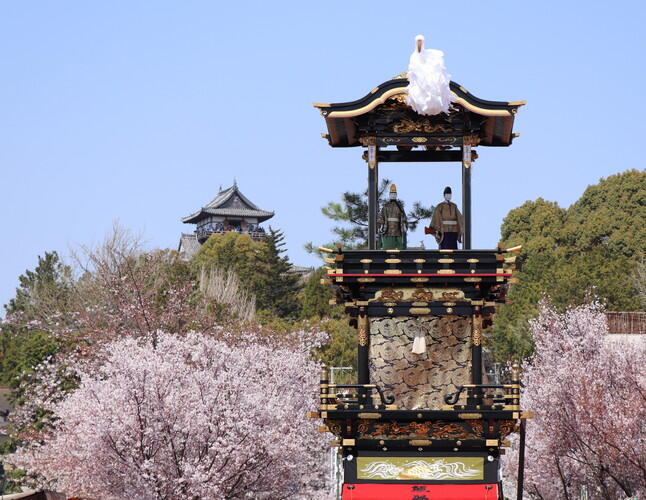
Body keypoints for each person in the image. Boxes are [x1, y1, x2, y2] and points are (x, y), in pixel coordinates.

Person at [378, 184, 408, 250]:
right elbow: (381, 217)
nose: (393, 196)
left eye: (394, 195)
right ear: (389, 195)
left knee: (399, 248)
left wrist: (404, 225)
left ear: (396, 195)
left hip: (398, 230)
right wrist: (381, 226)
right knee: (387, 248)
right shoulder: (385, 206)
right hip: (387, 229)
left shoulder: (400, 206)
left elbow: (404, 217)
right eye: (392, 194)